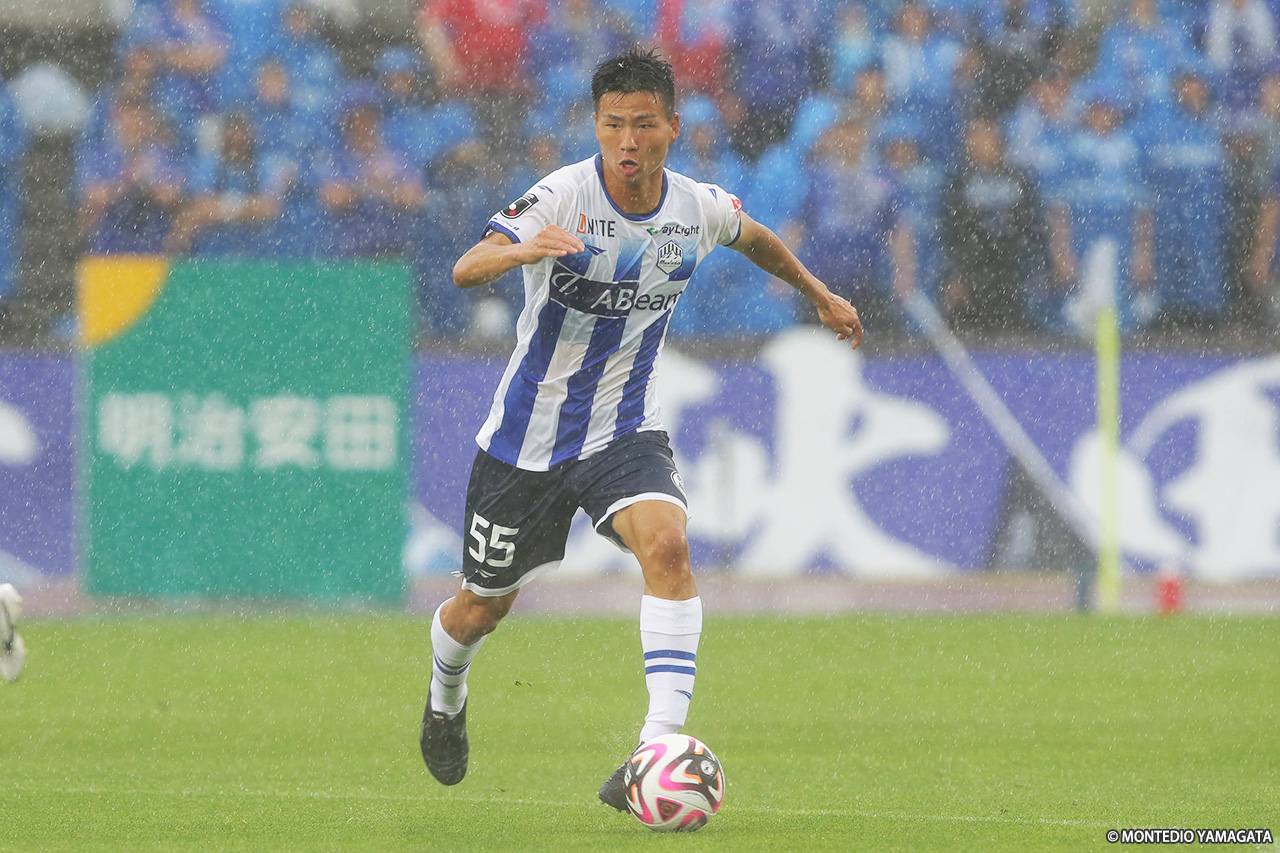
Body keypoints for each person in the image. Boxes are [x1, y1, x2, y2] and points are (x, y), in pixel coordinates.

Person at [418, 48, 863, 809]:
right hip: (526, 440)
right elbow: (467, 267)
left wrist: (818, 293)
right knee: (481, 607)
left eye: (644, 124)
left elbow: (754, 236)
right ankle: (445, 694)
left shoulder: (696, 207)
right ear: (596, 126)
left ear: (672, 128)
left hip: (625, 427)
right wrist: (524, 249)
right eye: (613, 124)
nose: (628, 140)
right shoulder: (563, 195)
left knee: (668, 546)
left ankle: (653, 750)